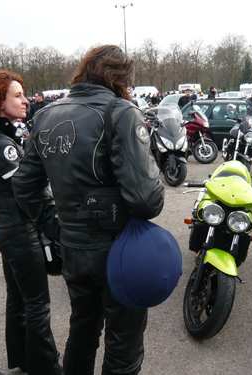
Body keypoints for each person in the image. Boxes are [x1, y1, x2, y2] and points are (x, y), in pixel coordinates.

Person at [12, 45, 165, 375]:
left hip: (74, 248)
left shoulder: (45, 114)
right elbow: (147, 200)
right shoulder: (121, 112)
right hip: (119, 250)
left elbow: (24, 185)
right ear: (121, 77)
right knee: (123, 346)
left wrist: (56, 227)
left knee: (82, 331)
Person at [0, 71, 62, 375]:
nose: (25, 100)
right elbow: (28, 191)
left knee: (18, 301)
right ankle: (48, 369)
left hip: (8, 232)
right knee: (37, 305)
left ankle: (22, 362)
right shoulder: (2, 145)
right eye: (17, 95)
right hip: (20, 234)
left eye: (23, 94)